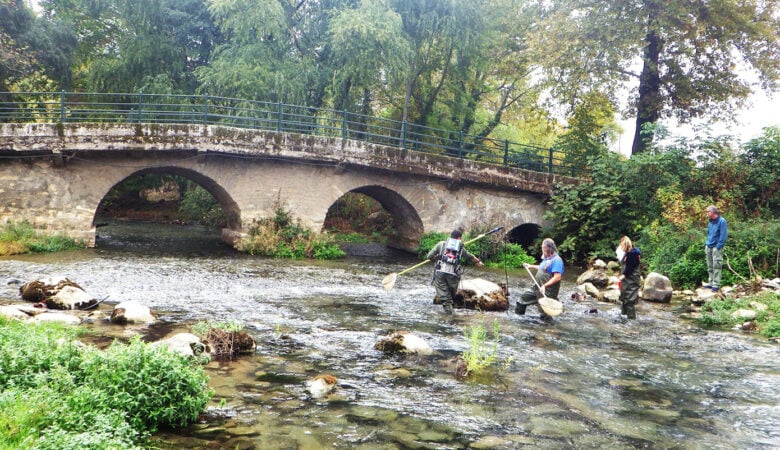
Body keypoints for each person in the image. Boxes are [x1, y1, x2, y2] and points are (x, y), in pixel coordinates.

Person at [426, 229, 483, 314]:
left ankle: (450, 317)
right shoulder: (460, 248)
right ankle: (451, 315)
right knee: (451, 298)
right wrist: (478, 261)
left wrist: (436, 258)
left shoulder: (441, 244)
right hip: (453, 276)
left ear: (450, 236)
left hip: (440, 274)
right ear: (459, 238)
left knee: (446, 300)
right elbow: (470, 256)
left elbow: (429, 256)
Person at [516, 238, 563, 320]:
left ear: (548, 248)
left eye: (543, 247)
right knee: (522, 299)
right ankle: (518, 319)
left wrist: (545, 286)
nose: (542, 249)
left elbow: (557, 277)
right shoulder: (547, 258)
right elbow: (542, 268)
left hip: (547, 291)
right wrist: (530, 266)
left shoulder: (557, 260)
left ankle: (547, 330)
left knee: (545, 314)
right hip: (537, 288)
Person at [611, 236, 641, 319]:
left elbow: (629, 270)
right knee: (624, 298)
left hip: (632, 279)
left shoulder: (633, 254)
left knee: (629, 300)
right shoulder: (629, 253)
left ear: (625, 246)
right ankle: (623, 316)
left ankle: (631, 321)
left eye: (621, 246)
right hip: (627, 280)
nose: (621, 248)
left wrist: (619, 279)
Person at [704, 205, 728, 292]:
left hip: (716, 248)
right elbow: (708, 233)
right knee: (710, 266)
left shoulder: (722, 221)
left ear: (713, 212)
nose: (707, 213)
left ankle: (716, 285)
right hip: (708, 246)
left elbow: (723, 235)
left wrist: (718, 246)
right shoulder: (710, 222)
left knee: (717, 266)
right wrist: (706, 244)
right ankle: (710, 283)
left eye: (708, 212)